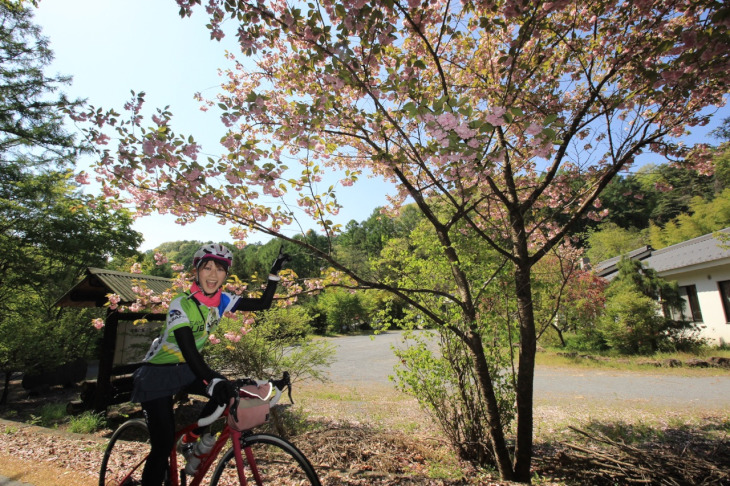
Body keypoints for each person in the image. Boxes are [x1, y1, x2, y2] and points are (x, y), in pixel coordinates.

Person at [131, 243, 290, 485]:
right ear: (196, 271)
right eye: (207, 268)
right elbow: (189, 350)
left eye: (220, 269)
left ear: (226, 275)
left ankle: (190, 440)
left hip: (186, 370)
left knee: (226, 393)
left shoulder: (223, 300)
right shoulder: (180, 304)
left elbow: (262, 304)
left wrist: (274, 272)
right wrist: (212, 379)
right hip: (156, 375)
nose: (213, 275)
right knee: (162, 446)